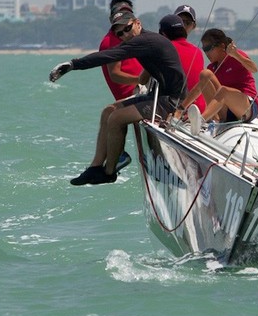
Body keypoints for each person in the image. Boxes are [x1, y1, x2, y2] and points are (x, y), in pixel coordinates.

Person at [49, 10, 187, 185]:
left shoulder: (144, 41)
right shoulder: (145, 41)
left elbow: (109, 55)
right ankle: (96, 166)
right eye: (119, 33)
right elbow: (150, 70)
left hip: (171, 101)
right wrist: (144, 77)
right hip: (157, 95)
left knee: (116, 118)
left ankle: (109, 172)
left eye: (127, 28)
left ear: (138, 23)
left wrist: (73, 65)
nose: (124, 35)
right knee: (108, 111)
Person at [180, 28, 258, 124]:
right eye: (204, 49)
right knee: (204, 74)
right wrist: (180, 109)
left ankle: (200, 121)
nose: (206, 53)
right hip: (226, 111)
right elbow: (199, 88)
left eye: (208, 48)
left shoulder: (235, 57)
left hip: (247, 107)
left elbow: (254, 69)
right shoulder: (212, 67)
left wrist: (236, 55)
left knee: (223, 91)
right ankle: (213, 119)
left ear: (222, 46)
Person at [99, 0, 143, 101]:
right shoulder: (110, 42)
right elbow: (115, 74)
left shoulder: (135, 36)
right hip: (134, 95)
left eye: (126, 14)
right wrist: (141, 80)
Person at [159, 14, 206, 114]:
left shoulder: (164, 48)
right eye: (182, 22)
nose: (185, 25)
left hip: (176, 108)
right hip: (198, 109)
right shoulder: (197, 51)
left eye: (187, 22)